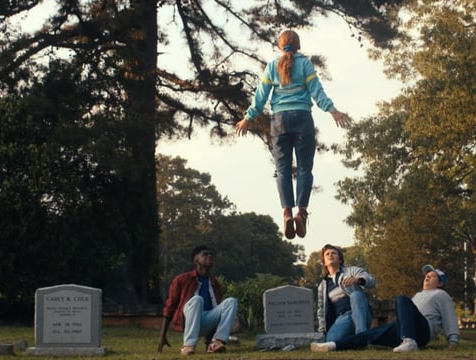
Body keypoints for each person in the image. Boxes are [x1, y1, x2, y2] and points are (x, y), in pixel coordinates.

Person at [235, 29, 350, 239]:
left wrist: (248, 118)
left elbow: (260, 97)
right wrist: (332, 110)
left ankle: (287, 213)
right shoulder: (305, 64)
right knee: (305, 167)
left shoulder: (272, 67)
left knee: (282, 169)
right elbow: (316, 91)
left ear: (280, 46)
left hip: (279, 121)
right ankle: (302, 213)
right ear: (298, 46)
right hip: (302, 117)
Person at [311, 264, 459, 353]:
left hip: (423, 331)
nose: (427, 277)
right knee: (368, 335)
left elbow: (449, 317)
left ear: (440, 283)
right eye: (426, 275)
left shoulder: (441, 294)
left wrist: (453, 342)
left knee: (401, 299)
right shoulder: (418, 295)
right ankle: (332, 346)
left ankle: (409, 342)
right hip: (403, 329)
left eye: (432, 276)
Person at [157, 245, 238, 356]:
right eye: (205, 254)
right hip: (188, 320)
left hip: (206, 322)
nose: (210, 256)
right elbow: (170, 306)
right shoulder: (182, 279)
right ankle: (188, 346)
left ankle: (216, 343)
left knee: (231, 301)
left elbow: (215, 309)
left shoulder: (215, 283)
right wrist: (162, 335)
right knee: (197, 300)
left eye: (211, 255)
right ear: (196, 260)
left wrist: (208, 340)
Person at [317, 244, 376, 342]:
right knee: (331, 340)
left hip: (360, 312)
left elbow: (372, 281)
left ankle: (362, 337)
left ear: (339, 259)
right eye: (327, 254)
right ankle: (353, 337)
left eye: (334, 253)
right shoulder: (322, 286)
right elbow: (321, 311)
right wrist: (322, 330)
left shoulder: (351, 271)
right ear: (324, 263)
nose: (330, 255)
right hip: (342, 318)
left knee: (355, 295)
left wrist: (358, 280)